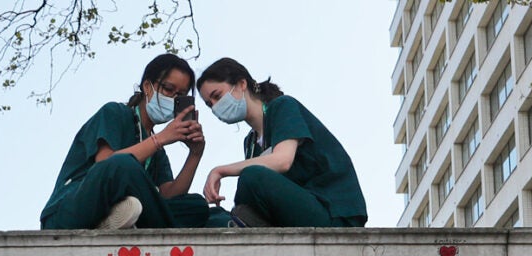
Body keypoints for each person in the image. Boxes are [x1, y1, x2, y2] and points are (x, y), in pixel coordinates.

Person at [40, 53, 226, 230]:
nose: (173, 98)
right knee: (122, 163)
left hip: (133, 207)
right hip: (69, 211)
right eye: (168, 90)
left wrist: (195, 154)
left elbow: (168, 194)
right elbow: (106, 164)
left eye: (180, 96)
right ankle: (146, 225)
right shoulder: (115, 113)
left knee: (196, 206)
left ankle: (118, 219)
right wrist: (160, 138)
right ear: (147, 86)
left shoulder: (157, 150)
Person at [195, 58, 368, 228]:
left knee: (252, 176)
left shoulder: (282, 107)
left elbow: (282, 161)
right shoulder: (250, 143)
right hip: (293, 216)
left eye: (217, 96)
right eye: (210, 105)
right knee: (214, 217)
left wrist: (220, 170)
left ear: (241, 84)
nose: (216, 107)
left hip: (332, 212)